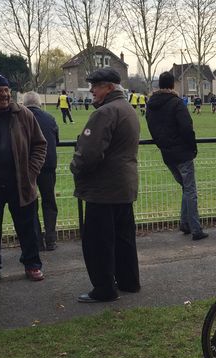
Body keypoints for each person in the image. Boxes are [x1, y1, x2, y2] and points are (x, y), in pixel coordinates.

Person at [71, 68, 141, 302]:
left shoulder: (105, 112)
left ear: (109, 87)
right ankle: (129, 281)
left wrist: (75, 166)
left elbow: (89, 154)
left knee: (99, 242)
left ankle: (103, 289)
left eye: (96, 85)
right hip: (123, 185)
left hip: (103, 189)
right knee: (124, 239)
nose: (91, 90)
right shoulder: (127, 109)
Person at [0, 69, 47, 283]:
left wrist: (31, 172)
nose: (5, 94)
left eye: (7, 90)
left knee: (28, 228)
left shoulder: (23, 114)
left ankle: (32, 264)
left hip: (21, 183)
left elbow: (40, 145)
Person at [146, 71, 208, 241]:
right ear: (173, 84)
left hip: (167, 152)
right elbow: (187, 127)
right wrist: (192, 147)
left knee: (185, 188)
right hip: (182, 152)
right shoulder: (176, 103)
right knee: (190, 190)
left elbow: (152, 128)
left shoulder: (151, 104)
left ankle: (185, 223)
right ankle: (195, 228)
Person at [23, 91, 60, 251]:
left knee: (30, 203)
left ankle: (36, 240)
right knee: (49, 201)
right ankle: (51, 239)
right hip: (47, 164)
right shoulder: (49, 118)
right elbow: (56, 140)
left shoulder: (19, 118)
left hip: (27, 167)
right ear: (39, 103)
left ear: (24, 104)